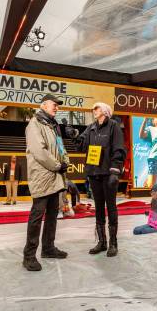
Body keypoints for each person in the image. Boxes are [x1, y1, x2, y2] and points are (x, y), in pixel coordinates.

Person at [67, 102, 127, 257]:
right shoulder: (91, 127)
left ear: (105, 111)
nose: (94, 110)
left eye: (97, 108)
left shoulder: (114, 126)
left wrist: (115, 171)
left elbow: (119, 149)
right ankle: (102, 242)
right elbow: (81, 146)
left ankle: (113, 243)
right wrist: (73, 135)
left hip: (109, 174)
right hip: (94, 173)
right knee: (99, 207)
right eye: (93, 108)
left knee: (111, 206)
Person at [23, 94, 70, 271]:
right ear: (43, 105)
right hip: (43, 176)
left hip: (55, 176)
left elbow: (60, 146)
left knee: (52, 215)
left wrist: (66, 161)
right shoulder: (34, 124)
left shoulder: (52, 125)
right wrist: (58, 165)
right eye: (54, 104)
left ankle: (48, 248)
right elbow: (39, 151)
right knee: (37, 216)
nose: (56, 107)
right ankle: (28, 256)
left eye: (58, 105)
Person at [139, 117, 157, 188]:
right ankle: (146, 189)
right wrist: (144, 120)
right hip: (154, 157)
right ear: (153, 121)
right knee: (151, 181)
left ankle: (146, 186)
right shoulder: (151, 129)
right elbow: (141, 135)